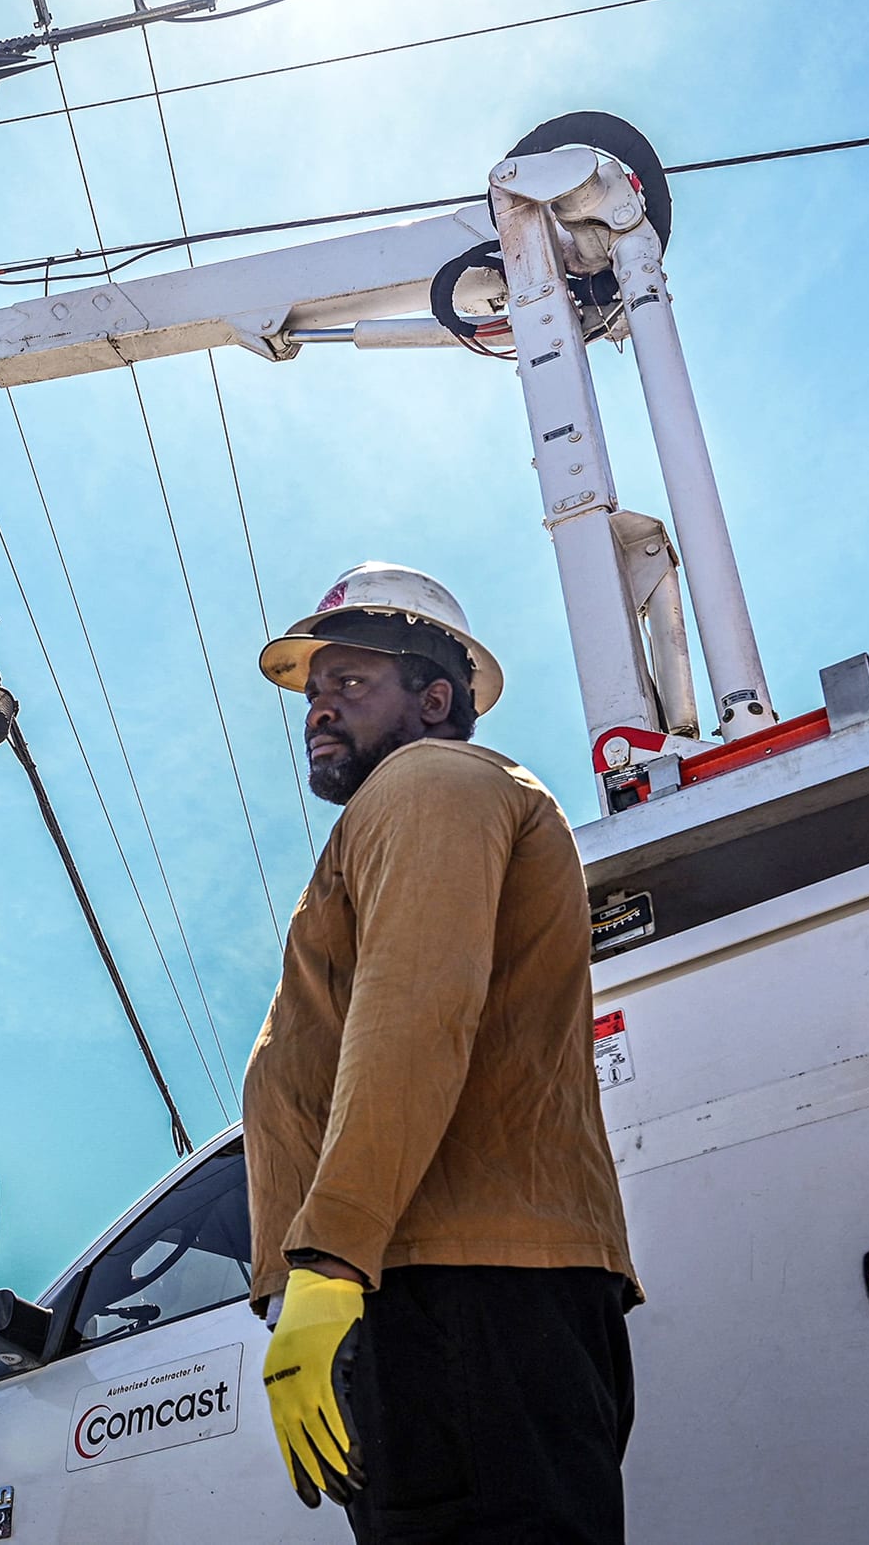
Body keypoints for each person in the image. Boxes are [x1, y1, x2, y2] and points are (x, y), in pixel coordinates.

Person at [243, 561, 639, 1544]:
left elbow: (414, 1008)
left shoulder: (429, 780)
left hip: (451, 1294)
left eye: (350, 683)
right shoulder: (403, 811)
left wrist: (329, 1260)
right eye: (312, 690)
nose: (319, 709)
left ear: (433, 698)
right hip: (433, 1293)